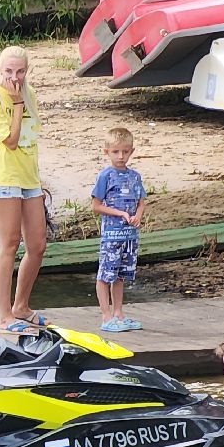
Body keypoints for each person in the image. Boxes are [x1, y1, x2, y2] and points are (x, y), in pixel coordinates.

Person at [0, 44, 48, 334]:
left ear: (27, 70)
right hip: (4, 177)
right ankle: (4, 316)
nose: (15, 76)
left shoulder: (29, 94)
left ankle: (21, 306)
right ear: (0, 70)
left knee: (37, 245)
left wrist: (23, 100)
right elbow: (9, 140)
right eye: (9, 71)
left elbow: (31, 139)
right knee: (8, 244)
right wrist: (17, 104)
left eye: (20, 71)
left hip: (29, 178)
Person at [90, 126, 147, 333]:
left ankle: (118, 313)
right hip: (111, 236)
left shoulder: (135, 176)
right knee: (106, 274)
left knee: (121, 275)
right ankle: (106, 315)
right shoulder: (105, 176)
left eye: (125, 151)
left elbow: (142, 201)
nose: (121, 156)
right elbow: (96, 206)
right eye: (116, 152)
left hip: (129, 236)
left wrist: (138, 216)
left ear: (132, 151)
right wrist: (119, 214)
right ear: (107, 152)